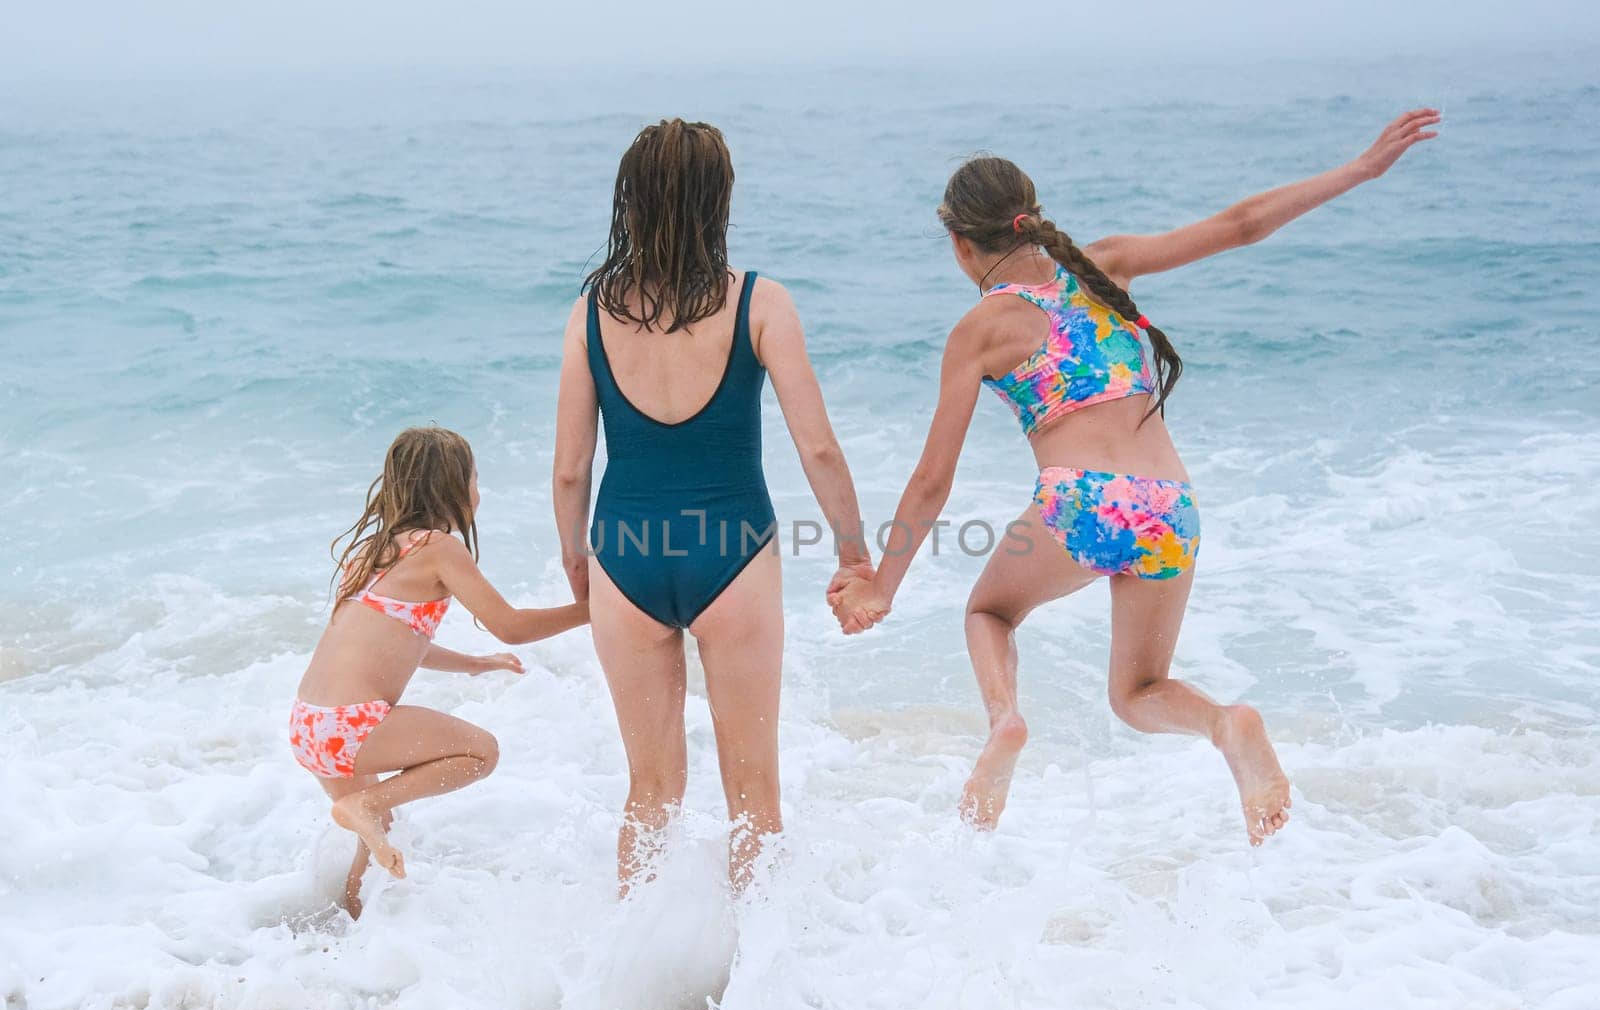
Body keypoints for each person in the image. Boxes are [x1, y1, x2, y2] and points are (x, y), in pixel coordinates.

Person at [829, 109, 1441, 845]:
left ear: (961, 244)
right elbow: (1242, 224)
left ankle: (1005, 723)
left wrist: (881, 588)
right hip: (1171, 507)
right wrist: (1360, 169)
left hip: (1079, 504)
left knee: (988, 615)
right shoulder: (1105, 263)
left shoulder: (980, 329)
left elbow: (932, 479)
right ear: (1030, 220)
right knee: (1140, 691)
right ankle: (1225, 723)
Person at [553, 119, 873, 894]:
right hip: (733, 555)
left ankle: (631, 972)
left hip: (622, 554)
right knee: (754, 797)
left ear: (631, 201)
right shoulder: (761, 303)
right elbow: (820, 448)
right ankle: (755, 987)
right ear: (717, 200)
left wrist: (578, 564)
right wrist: (853, 554)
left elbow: (569, 471)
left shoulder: (591, 309)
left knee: (651, 791)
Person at [292, 426, 588, 916]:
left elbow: (396, 643)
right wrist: (597, 610)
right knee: (481, 752)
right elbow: (510, 626)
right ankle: (361, 809)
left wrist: (476, 665)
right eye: (474, 476)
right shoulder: (440, 547)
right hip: (351, 724)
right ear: (454, 485)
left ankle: (350, 932)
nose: (479, 488)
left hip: (309, 725)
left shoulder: (371, 551)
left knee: (378, 835)